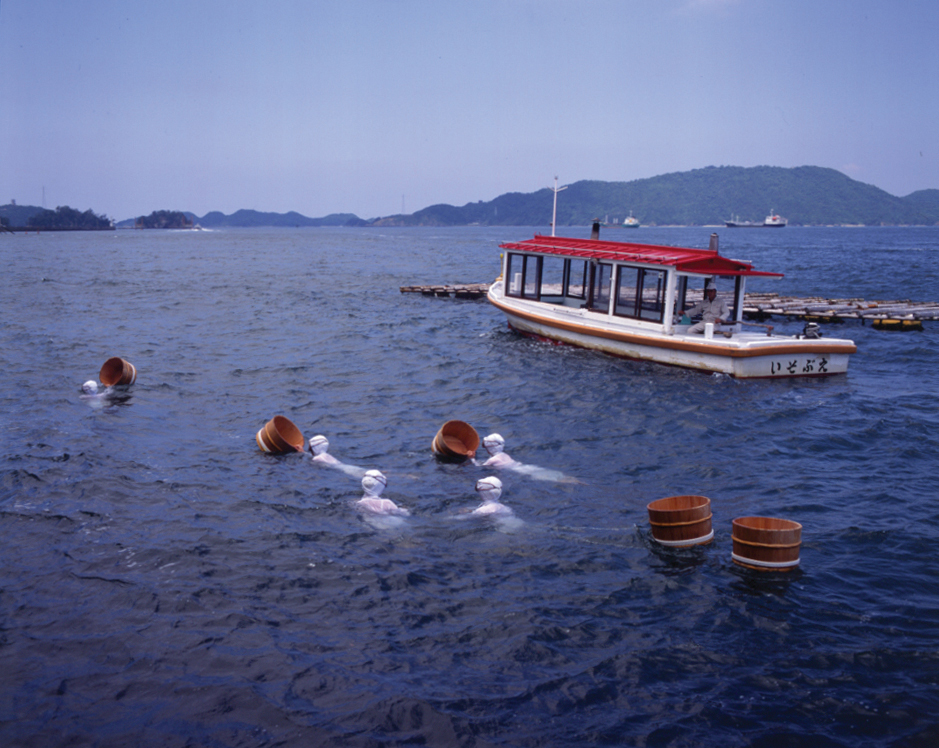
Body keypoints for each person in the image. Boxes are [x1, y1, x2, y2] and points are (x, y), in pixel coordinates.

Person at [476, 433, 582, 484]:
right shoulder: (504, 455)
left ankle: (568, 481)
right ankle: (572, 479)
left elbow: (479, 466)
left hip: (520, 471)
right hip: (524, 466)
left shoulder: (493, 460)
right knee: (546, 473)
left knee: (544, 477)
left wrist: (471, 457)